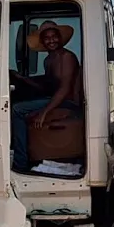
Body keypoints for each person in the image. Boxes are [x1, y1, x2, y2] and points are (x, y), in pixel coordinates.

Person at [10, 21, 83, 171]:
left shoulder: (66, 57)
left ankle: (20, 164)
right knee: (18, 100)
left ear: (60, 38)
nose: (51, 41)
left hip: (68, 102)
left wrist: (44, 112)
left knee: (17, 110)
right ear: (43, 42)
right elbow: (47, 87)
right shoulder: (49, 60)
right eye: (47, 38)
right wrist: (22, 79)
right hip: (55, 99)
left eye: (54, 36)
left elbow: (64, 89)